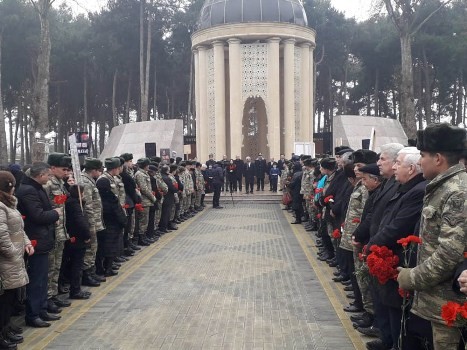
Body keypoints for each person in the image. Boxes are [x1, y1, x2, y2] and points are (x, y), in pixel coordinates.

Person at [397, 123, 467, 350]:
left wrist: (412, 277)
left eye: (422, 155)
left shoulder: (457, 192)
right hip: (436, 301)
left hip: (448, 305)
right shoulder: (442, 187)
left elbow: (449, 254)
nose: (419, 162)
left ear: (438, 158)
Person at [16, 162, 60, 328]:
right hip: (36, 239)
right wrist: (55, 213)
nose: (49, 178)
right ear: (40, 175)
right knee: (37, 279)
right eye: (48, 175)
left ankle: (41, 309)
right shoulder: (28, 191)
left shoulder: (35, 188)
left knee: (42, 278)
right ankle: (33, 314)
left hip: (42, 239)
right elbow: (38, 216)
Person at [0, 171, 34, 348]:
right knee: (4, 299)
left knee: (11, 297)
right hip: (7, 260)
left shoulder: (10, 203)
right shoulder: (1, 206)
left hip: (14, 258)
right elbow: (2, 236)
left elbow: (19, 229)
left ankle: (5, 329)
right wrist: (14, 253)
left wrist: (26, 243)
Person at [44, 153, 73, 313]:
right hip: (51, 231)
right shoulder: (47, 184)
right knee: (49, 267)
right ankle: (47, 298)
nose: (66, 172)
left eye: (68, 169)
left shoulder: (61, 183)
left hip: (61, 231)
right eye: (64, 169)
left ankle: (53, 295)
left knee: (56, 265)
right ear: (52, 168)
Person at [96, 158, 127, 277]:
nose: (120, 170)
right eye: (119, 167)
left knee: (112, 242)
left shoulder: (111, 178)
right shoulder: (103, 181)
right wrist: (119, 216)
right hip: (109, 217)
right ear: (115, 168)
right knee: (108, 243)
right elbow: (108, 202)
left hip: (114, 216)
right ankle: (105, 268)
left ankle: (109, 265)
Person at [80, 158, 106, 287]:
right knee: (90, 249)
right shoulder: (86, 182)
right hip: (91, 222)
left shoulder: (90, 181)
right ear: (94, 170)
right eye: (99, 170)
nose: (100, 173)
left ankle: (91, 272)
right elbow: (88, 206)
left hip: (95, 221)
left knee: (93, 249)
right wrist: (91, 225)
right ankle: (87, 275)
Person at [64, 185, 92, 300]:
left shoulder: (71, 202)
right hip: (77, 238)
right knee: (77, 265)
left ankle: (75, 289)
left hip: (73, 237)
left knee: (75, 264)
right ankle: (75, 290)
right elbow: (80, 221)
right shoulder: (75, 204)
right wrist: (87, 235)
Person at [134, 158, 156, 246]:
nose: (148, 167)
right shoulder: (140, 174)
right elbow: (144, 188)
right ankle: (141, 238)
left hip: (147, 200)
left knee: (145, 221)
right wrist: (153, 197)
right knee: (143, 221)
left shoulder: (144, 173)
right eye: (147, 165)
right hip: (144, 200)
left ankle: (144, 236)